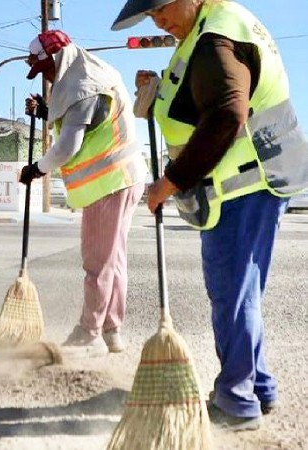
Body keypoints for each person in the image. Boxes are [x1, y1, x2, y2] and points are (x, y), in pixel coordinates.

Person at [113, 0, 308, 431]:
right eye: (150, 16)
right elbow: (201, 96)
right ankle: (258, 387)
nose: (158, 20)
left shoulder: (214, 39)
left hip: (241, 186)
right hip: (258, 181)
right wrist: (160, 88)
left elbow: (225, 115)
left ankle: (237, 402)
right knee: (243, 293)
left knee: (232, 295)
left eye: (161, 9)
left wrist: (171, 181)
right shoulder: (211, 26)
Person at [20, 30, 147, 354]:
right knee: (112, 259)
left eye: (45, 69)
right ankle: (111, 330)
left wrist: (37, 169)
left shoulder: (82, 86)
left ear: (56, 57)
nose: (45, 76)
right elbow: (88, 122)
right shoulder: (89, 73)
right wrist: (48, 113)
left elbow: (67, 146)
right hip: (122, 179)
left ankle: (89, 331)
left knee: (97, 262)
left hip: (109, 183)